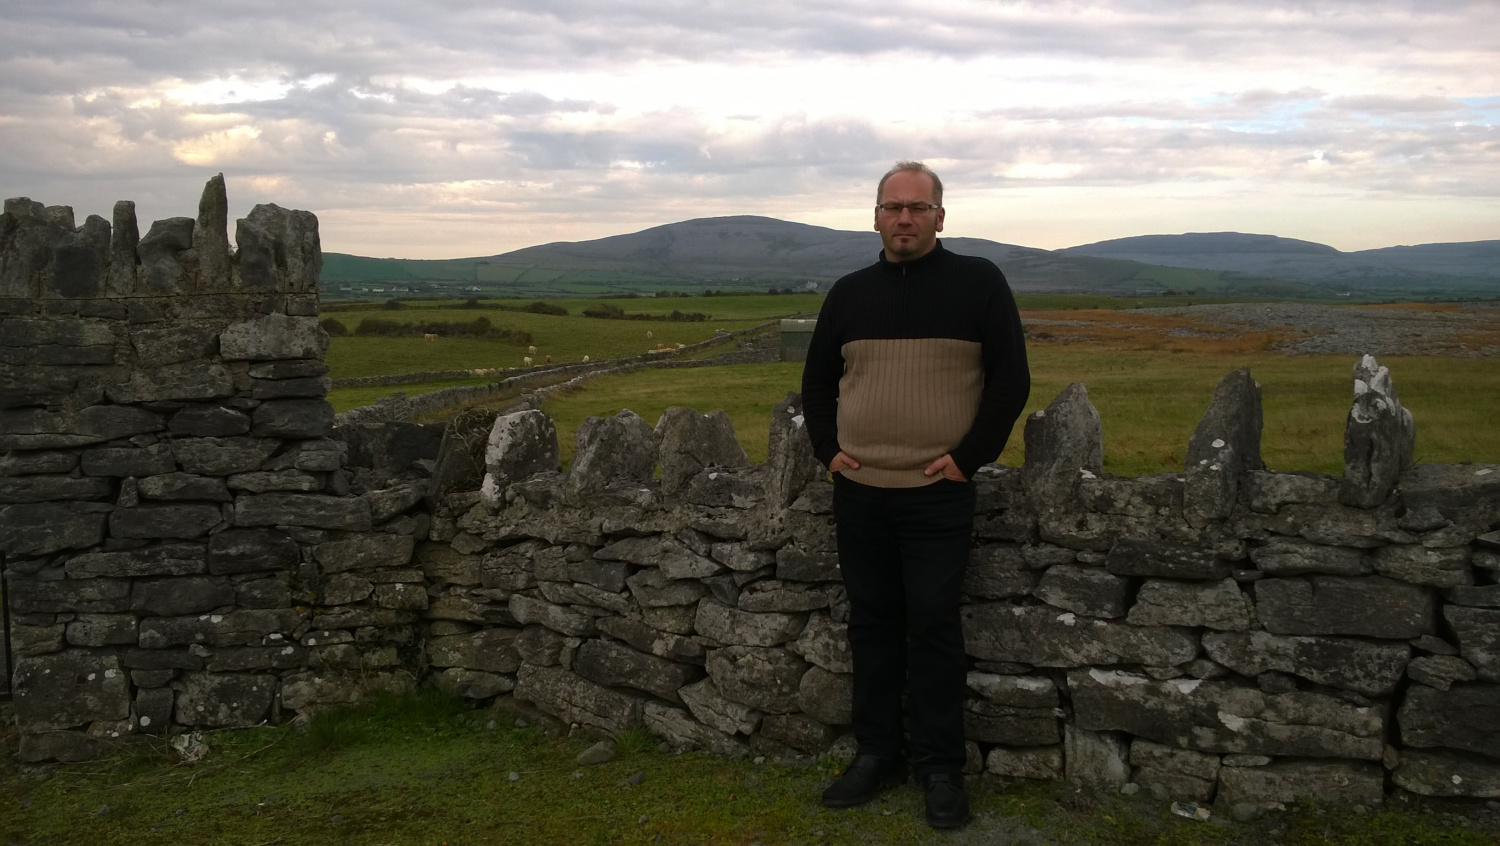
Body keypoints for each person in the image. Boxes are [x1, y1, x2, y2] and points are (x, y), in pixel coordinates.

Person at [800, 161, 1030, 829]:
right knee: (871, 623)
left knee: (933, 625)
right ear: (875, 216)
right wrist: (828, 451)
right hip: (860, 491)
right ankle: (876, 754)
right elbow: (817, 383)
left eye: (918, 207)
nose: (905, 218)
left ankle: (939, 768)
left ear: (940, 217)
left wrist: (968, 459)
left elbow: (1010, 379)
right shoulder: (848, 294)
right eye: (892, 207)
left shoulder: (979, 283)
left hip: (937, 494)